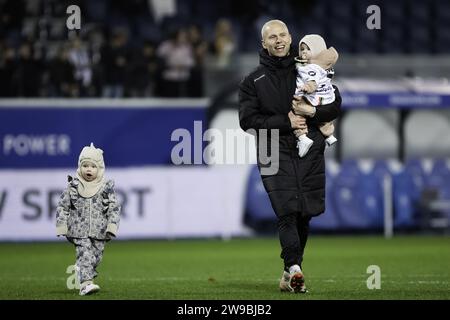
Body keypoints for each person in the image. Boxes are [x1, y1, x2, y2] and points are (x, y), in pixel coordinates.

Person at [239, 20, 341, 293]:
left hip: (310, 149)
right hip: (272, 150)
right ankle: (295, 268)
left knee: (304, 214)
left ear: (290, 37)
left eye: (282, 34)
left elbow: (334, 103)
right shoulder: (253, 81)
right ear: (264, 44)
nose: (278, 40)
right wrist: (286, 122)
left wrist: (313, 115)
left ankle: (289, 271)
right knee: (286, 210)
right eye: (272, 37)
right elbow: (247, 120)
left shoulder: (308, 67)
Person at [56, 143, 121, 296]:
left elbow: (114, 207)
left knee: (95, 258)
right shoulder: (73, 186)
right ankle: (86, 284)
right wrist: (61, 225)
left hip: (100, 231)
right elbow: (62, 206)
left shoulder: (105, 187)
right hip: (78, 230)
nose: (88, 169)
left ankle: (81, 270)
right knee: (86, 253)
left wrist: (112, 226)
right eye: (85, 165)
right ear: (80, 167)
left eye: (93, 166)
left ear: (100, 168)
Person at [293, 34, 339, 157]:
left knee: (296, 111)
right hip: (326, 97)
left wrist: (307, 88)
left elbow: (312, 82)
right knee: (324, 120)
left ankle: (302, 137)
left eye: (308, 49)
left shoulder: (310, 67)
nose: (304, 52)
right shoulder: (327, 67)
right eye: (302, 49)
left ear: (318, 50)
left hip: (312, 97)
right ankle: (329, 135)